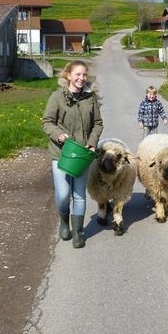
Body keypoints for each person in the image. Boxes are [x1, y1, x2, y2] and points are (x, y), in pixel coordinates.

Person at [42, 60, 103, 248]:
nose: (81, 78)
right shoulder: (56, 97)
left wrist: (92, 143)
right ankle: (63, 220)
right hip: (60, 153)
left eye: (84, 75)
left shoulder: (90, 98)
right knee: (63, 195)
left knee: (79, 194)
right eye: (77, 74)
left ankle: (78, 232)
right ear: (68, 75)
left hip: (82, 154)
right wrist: (58, 135)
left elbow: (98, 124)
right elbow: (47, 122)